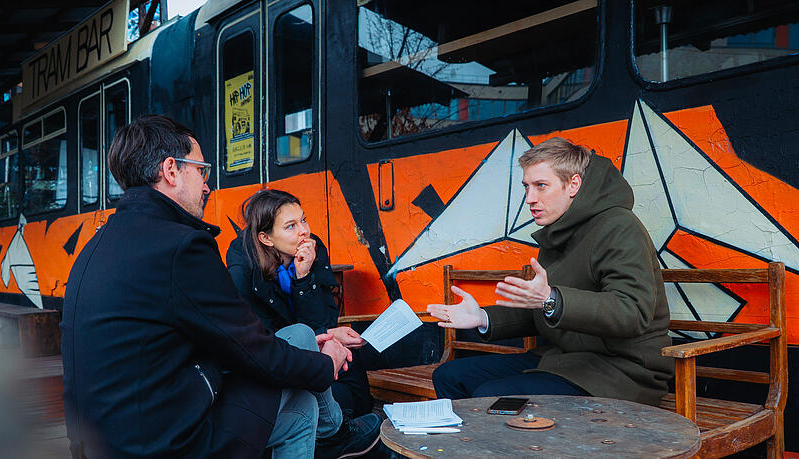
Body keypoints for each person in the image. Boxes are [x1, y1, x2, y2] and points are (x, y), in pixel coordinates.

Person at [60, 114, 381, 458]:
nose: (207, 185)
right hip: (166, 443)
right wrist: (324, 365)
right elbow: (250, 349)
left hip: (108, 441)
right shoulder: (180, 246)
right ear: (171, 170)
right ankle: (333, 435)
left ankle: (333, 433)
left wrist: (305, 349)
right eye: (201, 171)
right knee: (301, 405)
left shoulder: (95, 246)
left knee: (301, 337)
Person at [426, 137, 674, 406]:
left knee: (489, 395)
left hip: (621, 371)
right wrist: (483, 317)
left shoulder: (619, 227)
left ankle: (499, 447)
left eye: (541, 186)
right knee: (450, 376)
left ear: (573, 184)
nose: (530, 199)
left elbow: (632, 312)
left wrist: (552, 299)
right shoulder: (559, 229)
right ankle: (473, 447)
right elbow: (542, 310)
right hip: (565, 359)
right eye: (527, 187)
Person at [226, 190, 376, 417]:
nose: (304, 231)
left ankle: (360, 433)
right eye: (291, 226)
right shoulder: (245, 270)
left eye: (303, 220)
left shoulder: (312, 250)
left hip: (311, 345)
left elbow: (322, 319)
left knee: (355, 373)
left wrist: (303, 278)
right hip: (278, 365)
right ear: (266, 238)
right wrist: (325, 336)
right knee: (342, 399)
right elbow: (264, 342)